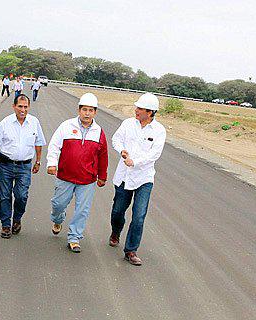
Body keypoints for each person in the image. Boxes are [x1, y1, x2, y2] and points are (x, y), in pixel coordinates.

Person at [108, 93, 166, 266]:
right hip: (124, 175)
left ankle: (131, 250)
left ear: (150, 112)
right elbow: (116, 139)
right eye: (137, 107)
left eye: (140, 108)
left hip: (144, 178)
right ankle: (115, 232)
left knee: (139, 216)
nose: (136, 110)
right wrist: (122, 151)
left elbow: (154, 154)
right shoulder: (128, 124)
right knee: (118, 211)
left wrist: (135, 162)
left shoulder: (159, 131)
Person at [46, 93, 108, 253]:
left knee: (83, 209)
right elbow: (54, 145)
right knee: (58, 204)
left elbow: (103, 156)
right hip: (65, 176)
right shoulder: (66, 126)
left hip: (87, 179)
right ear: (79, 110)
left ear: (95, 112)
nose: (87, 113)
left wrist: (102, 176)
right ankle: (57, 220)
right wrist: (52, 163)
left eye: (91, 110)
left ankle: (74, 238)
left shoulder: (99, 132)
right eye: (84, 109)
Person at [0, 94, 46, 238]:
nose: (23, 109)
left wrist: (38, 161)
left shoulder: (34, 123)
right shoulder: (5, 123)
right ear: (14, 107)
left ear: (29, 107)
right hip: (6, 166)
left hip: (24, 167)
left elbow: (38, 143)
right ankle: (6, 225)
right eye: (20, 106)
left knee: (21, 196)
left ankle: (17, 219)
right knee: (4, 196)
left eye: (25, 107)